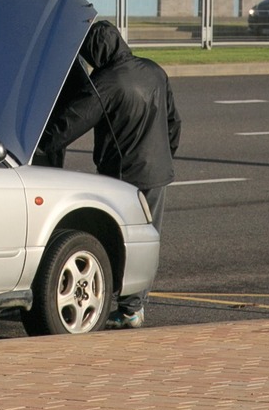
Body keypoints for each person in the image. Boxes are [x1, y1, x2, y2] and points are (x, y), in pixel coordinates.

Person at [39, 20, 181, 330]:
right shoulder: (154, 70)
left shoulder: (106, 82)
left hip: (123, 175)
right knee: (146, 238)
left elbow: (73, 121)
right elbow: (173, 121)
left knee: (122, 239)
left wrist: (39, 142)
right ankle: (134, 306)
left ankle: (129, 309)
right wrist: (165, 155)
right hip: (157, 171)